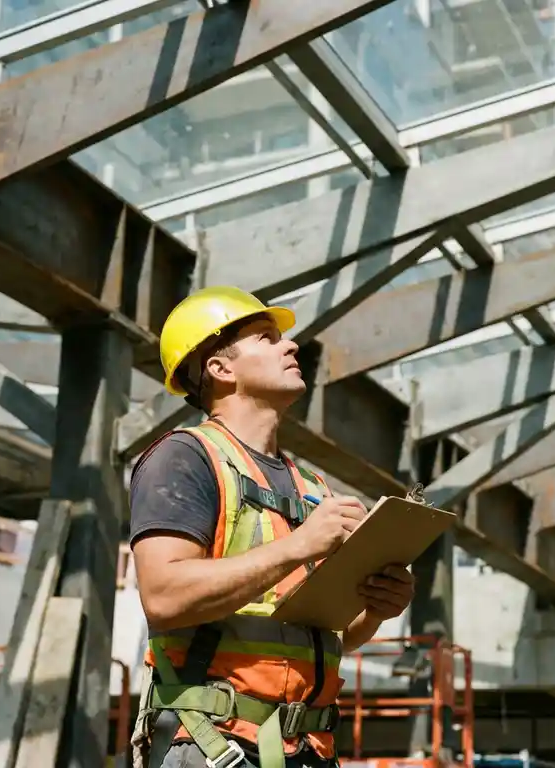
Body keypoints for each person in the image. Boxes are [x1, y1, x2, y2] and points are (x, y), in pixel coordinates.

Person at [129, 286, 416, 768]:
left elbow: (327, 633)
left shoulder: (311, 487)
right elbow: (163, 595)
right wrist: (298, 547)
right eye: (266, 338)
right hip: (212, 744)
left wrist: (378, 609)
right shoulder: (185, 458)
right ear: (220, 369)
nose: (291, 346)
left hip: (305, 749)